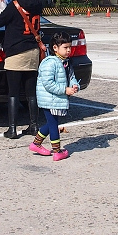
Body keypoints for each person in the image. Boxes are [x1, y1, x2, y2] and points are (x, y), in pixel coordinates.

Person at [0, 0, 43, 139]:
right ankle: (34, 125)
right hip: (33, 51)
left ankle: (12, 129)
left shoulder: (14, 6)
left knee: (13, 92)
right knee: (30, 92)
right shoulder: (38, 4)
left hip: (16, 52)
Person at [29, 32, 79, 161]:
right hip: (48, 99)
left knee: (52, 122)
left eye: (70, 47)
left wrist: (74, 85)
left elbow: (71, 77)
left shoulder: (66, 62)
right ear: (55, 48)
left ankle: (36, 144)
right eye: (65, 47)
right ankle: (57, 151)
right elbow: (48, 84)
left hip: (56, 99)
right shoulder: (50, 63)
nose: (68, 50)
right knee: (53, 124)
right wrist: (64, 90)